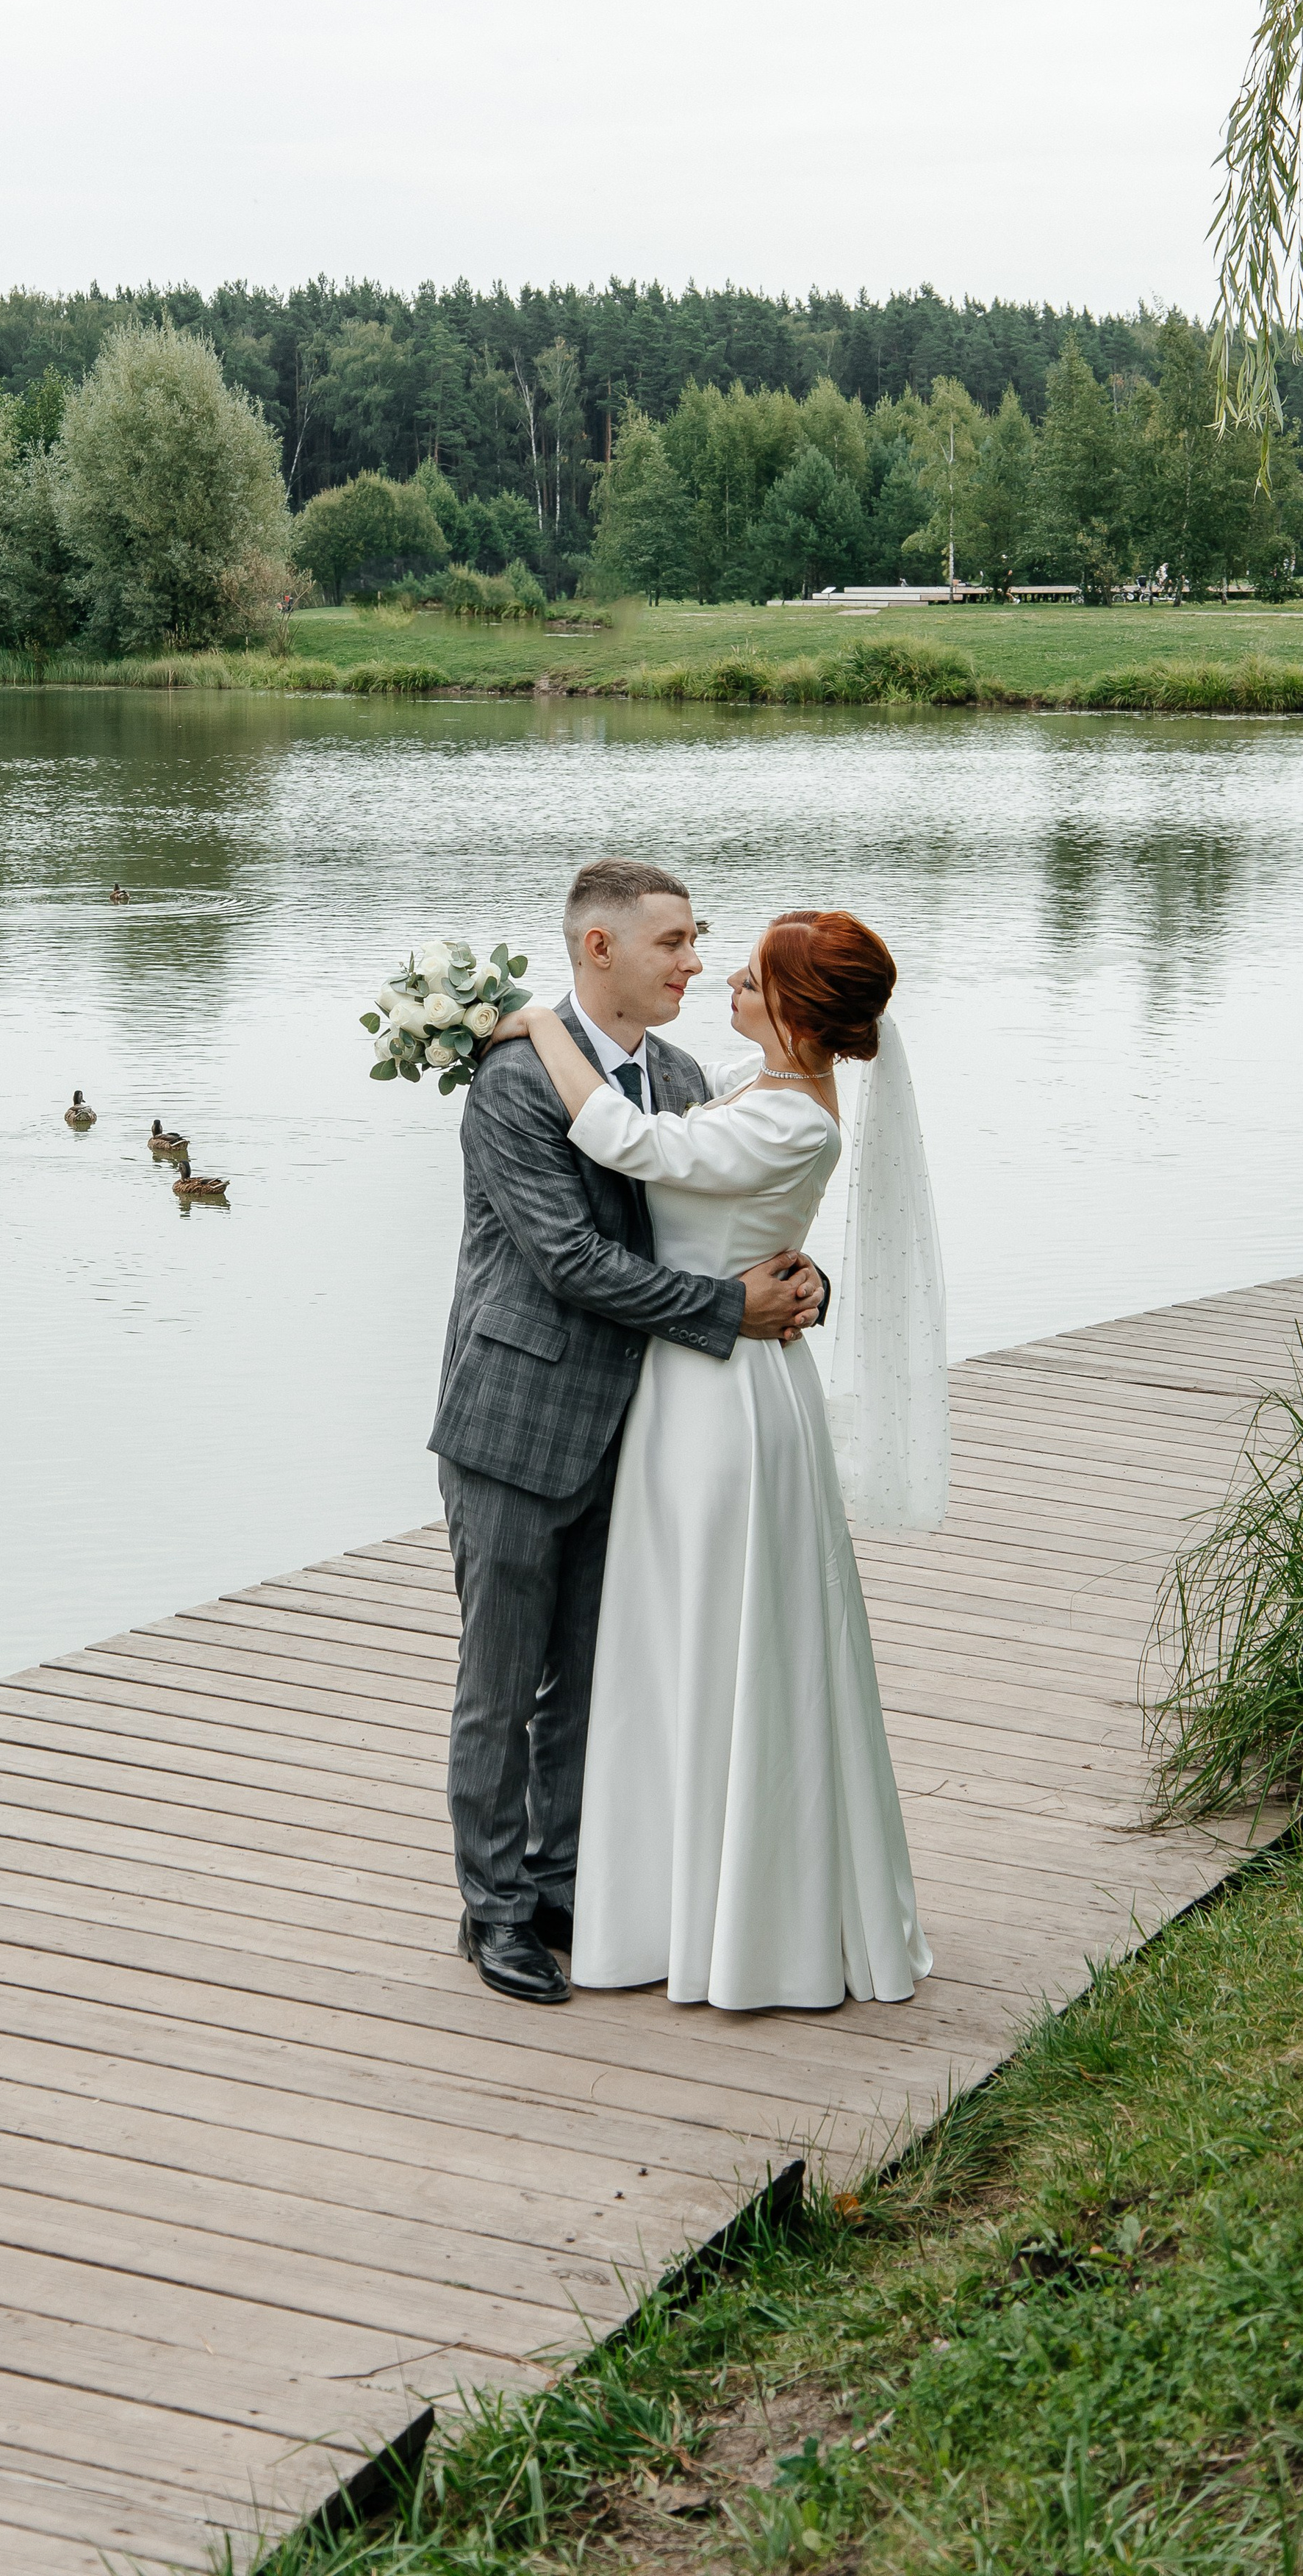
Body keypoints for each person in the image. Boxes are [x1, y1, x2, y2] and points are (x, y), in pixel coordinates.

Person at [498, 908, 935, 2010]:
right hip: (696, 1379)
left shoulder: (794, 1121)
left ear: (796, 1007)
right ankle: (671, 1896)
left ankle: (741, 1925)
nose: (726, 980)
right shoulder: (759, 1083)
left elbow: (634, 1144)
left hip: (725, 1403)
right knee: (677, 1638)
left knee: (717, 1635)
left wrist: (534, 1028)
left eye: (750, 974)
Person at [430, 859, 825, 2006]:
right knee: (500, 1688)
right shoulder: (512, 1080)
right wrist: (726, 1311)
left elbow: (705, 1224)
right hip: (517, 1419)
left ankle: (561, 1883)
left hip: (647, 1428)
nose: (696, 963)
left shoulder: (688, 1073)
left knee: (595, 1683)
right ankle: (492, 1913)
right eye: (674, 944)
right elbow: (567, 1259)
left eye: (699, 940)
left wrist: (793, 1282)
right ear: (599, 951)